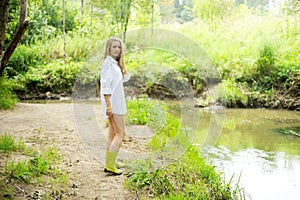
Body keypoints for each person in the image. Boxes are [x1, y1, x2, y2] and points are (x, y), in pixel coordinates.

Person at [100, 37, 130, 175]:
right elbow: (105, 85)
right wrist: (108, 105)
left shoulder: (114, 64)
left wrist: (122, 65)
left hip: (114, 102)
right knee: (121, 133)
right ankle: (110, 165)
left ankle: (110, 162)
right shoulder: (108, 64)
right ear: (109, 48)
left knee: (112, 132)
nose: (117, 49)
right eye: (114, 47)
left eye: (119, 47)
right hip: (113, 104)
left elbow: (124, 78)